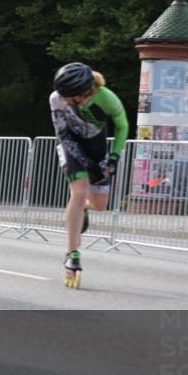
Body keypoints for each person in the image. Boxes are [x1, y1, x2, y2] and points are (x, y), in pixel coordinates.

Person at [50, 62, 129, 289]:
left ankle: (83, 207)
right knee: (79, 191)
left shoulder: (106, 98)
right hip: (71, 148)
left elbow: (122, 126)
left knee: (100, 205)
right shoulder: (56, 98)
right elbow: (63, 134)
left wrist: (114, 157)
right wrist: (87, 166)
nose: (64, 101)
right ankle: (72, 253)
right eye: (62, 96)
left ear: (85, 93)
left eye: (69, 98)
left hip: (98, 150)